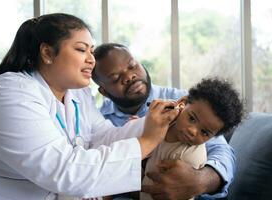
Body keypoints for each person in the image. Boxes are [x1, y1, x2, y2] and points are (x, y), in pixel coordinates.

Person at [0, 13, 180, 200]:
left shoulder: (77, 93)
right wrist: (147, 140)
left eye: (91, 50)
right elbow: (66, 171)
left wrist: (162, 121)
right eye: (81, 49)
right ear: (47, 53)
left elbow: (103, 137)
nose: (91, 60)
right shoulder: (8, 95)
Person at [92, 43, 237, 199]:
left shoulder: (185, 104)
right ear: (104, 91)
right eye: (115, 78)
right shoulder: (101, 122)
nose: (129, 76)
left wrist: (199, 181)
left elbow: (222, 151)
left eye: (132, 66)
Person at [141, 78, 244, 200]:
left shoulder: (192, 156)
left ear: (213, 137)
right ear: (182, 102)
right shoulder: (162, 123)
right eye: (192, 118)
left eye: (204, 132)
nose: (193, 131)